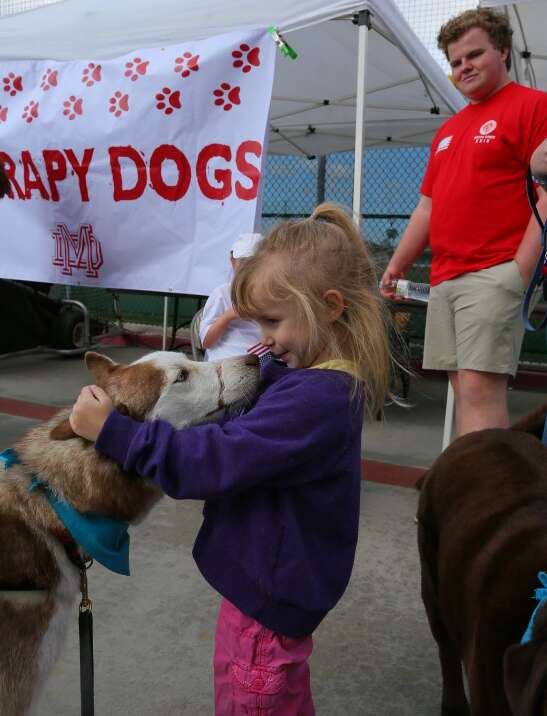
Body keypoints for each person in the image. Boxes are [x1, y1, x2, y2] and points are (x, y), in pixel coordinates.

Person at [69, 203, 391, 715]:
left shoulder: (314, 400)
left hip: (266, 609)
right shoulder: (313, 384)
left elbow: (216, 459)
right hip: (266, 595)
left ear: (329, 307)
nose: (264, 339)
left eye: (274, 322)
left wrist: (118, 435)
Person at [380, 8, 547, 437]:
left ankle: (491, 499)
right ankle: (470, 494)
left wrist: (520, 270)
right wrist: (397, 264)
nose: (463, 68)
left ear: (503, 52)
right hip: (445, 277)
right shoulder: (450, 129)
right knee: (461, 389)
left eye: (474, 55)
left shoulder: (535, 107)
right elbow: (427, 209)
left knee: (478, 389)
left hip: (496, 271)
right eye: (455, 62)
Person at [199, 233, 263, 361]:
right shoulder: (222, 293)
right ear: (233, 261)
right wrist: (229, 316)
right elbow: (206, 342)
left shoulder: (271, 294)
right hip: (226, 359)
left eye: (254, 262)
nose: (248, 267)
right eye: (243, 261)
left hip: (262, 357)